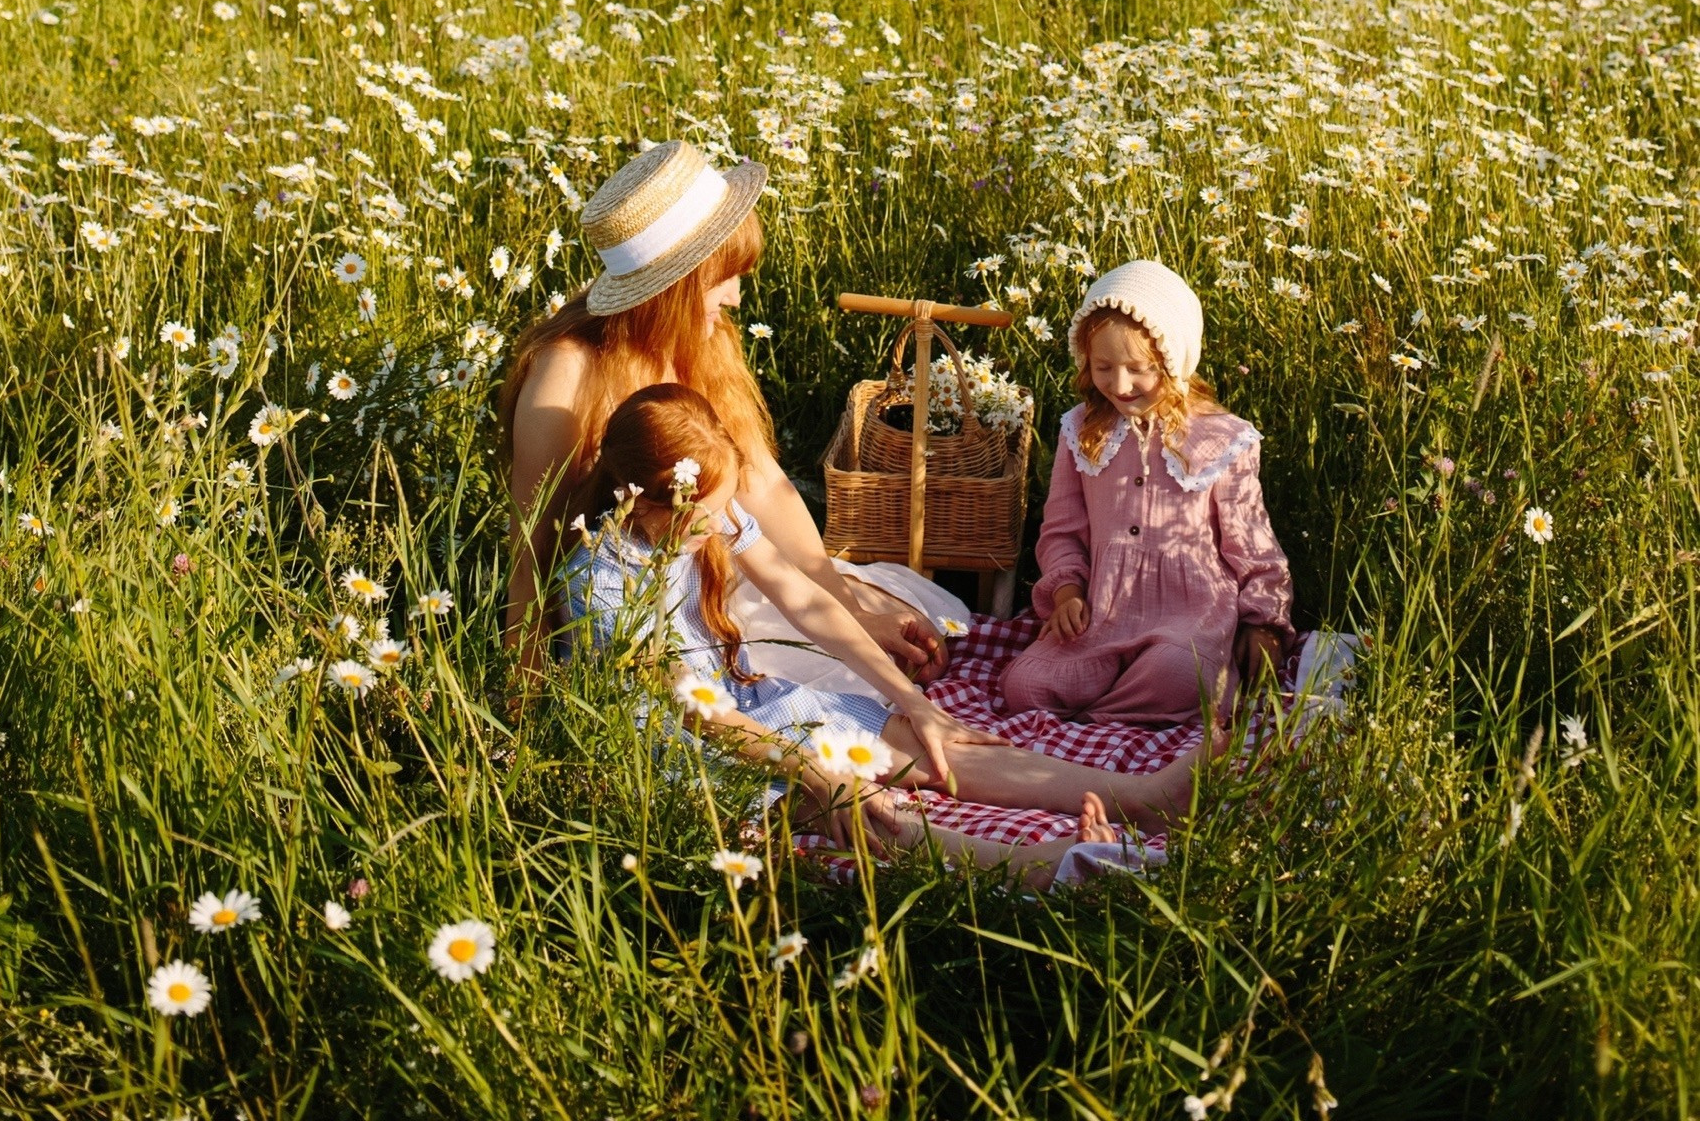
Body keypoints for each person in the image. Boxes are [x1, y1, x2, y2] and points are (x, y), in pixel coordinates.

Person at [564, 383, 1207, 876]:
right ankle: (1053, 866)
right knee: (861, 811)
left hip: (745, 701)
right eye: (701, 516)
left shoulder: (705, 512)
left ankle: (1140, 798)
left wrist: (914, 702)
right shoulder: (599, 581)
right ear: (642, 500)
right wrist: (819, 774)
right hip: (678, 755)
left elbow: (804, 601)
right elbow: (692, 714)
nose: (718, 526)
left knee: (926, 744)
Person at [499, 139, 954, 691]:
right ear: (673, 285)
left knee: (906, 623)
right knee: (843, 687)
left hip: (723, 566)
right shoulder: (566, 376)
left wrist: (843, 600)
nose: (736, 297)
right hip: (633, 615)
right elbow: (532, 549)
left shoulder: (702, 340)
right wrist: (523, 697)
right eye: (723, 276)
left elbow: (760, 482)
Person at [996, 260, 1293, 724]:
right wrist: (1068, 594)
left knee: (1180, 673)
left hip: (1190, 619)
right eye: (1103, 367)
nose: (1119, 384)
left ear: (1174, 361)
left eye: (1139, 369)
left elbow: (1252, 544)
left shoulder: (1222, 439)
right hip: (1102, 613)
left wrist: (1263, 622)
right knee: (1024, 686)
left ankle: (1096, 718)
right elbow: (1061, 532)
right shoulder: (1081, 430)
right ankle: (1118, 711)